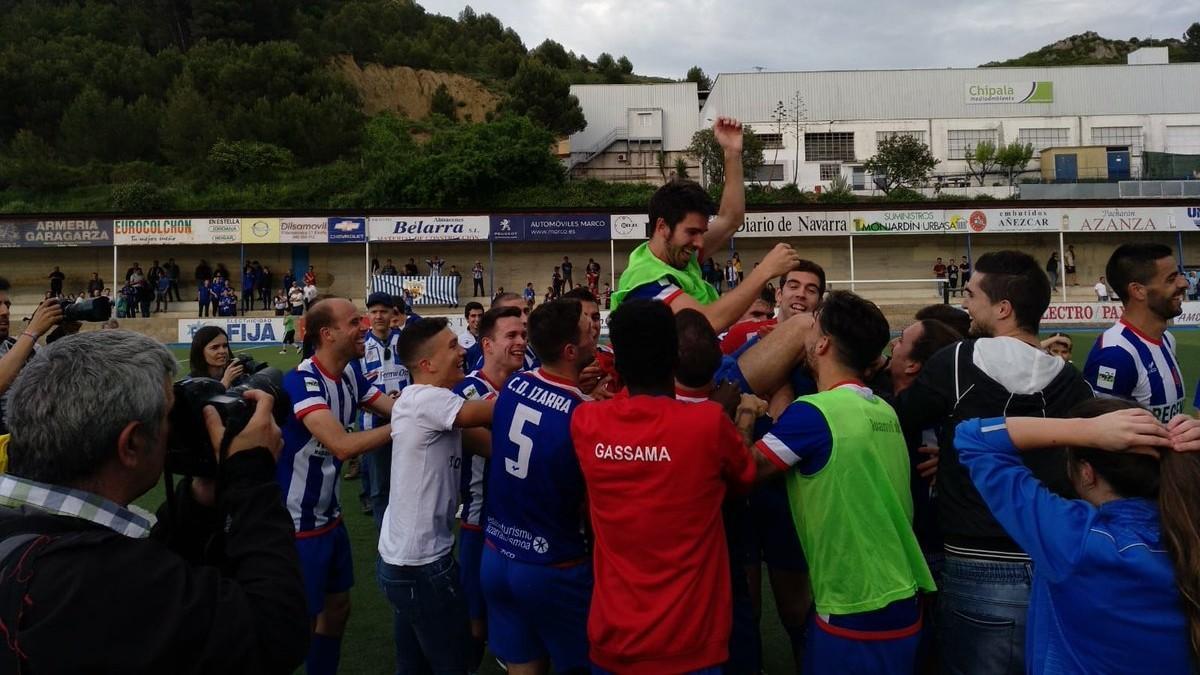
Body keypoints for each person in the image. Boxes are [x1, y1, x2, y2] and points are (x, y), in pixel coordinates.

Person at [0, 331, 309, 674]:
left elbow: (146, 572)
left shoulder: (49, 546)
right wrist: (251, 478)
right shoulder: (98, 579)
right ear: (131, 443)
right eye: (168, 415)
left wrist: (197, 499)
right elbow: (272, 633)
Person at [891, 250, 1094, 675]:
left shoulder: (958, 362)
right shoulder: (1072, 382)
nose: (966, 304)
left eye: (971, 294)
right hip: (1052, 561)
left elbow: (901, 417)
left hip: (977, 562)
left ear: (1003, 308)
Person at [570, 299, 758, 674]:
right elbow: (745, 477)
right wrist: (741, 417)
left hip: (613, 638)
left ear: (618, 363)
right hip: (690, 643)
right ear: (675, 357)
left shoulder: (586, 421)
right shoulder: (708, 423)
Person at [752, 291, 935, 673]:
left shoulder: (817, 413)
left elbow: (741, 471)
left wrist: (745, 413)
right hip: (901, 591)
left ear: (823, 343)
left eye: (813, 325)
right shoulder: (881, 407)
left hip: (858, 603)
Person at [955, 399, 1200, 674]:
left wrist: (1084, 430)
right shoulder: (1191, 531)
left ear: (1087, 473)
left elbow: (974, 438)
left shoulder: (1075, 540)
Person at [278, 297, 396, 675]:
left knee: (337, 609)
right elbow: (342, 445)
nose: (364, 325)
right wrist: (408, 425)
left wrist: (427, 403)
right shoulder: (302, 381)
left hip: (329, 516)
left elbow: (390, 406)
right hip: (297, 525)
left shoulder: (348, 373)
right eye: (353, 322)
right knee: (298, 626)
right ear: (327, 335)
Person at [482, 299, 594, 675]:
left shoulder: (515, 384)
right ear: (569, 350)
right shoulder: (584, 415)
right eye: (588, 325)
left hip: (497, 553)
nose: (595, 327)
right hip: (552, 564)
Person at [379, 318, 495, 674]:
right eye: (451, 347)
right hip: (422, 564)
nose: (463, 351)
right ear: (426, 365)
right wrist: (539, 386)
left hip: (403, 559)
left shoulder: (422, 403)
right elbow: (485, 411)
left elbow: (490, 447)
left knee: (412, 664)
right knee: (456, 663)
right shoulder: (428, 399)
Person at [452, 305, 530, 670]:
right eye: (511, 336)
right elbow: (494, 450)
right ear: (487, 344)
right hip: (479, 524)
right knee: (475, 622)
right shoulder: (466, 391)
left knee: (516, 615)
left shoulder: (527, 384)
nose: (520, 342)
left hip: (521, 523)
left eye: (524, 335)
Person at [1083, 243, 1188, 423]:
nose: (1184, 283)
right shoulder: (1115, 355)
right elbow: (1101, 439)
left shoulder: (1167, 339)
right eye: (1171, 279)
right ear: (1138, 291)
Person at [354, 293, 410, 530]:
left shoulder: (407, 342)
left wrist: (405, 397)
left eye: (384, 311)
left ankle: (406, 534)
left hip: (408, 423)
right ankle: (384, 540)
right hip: (373, 427)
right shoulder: (359, 347)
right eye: (374, 311)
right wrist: (381, 402)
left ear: (392, 314)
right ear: (368, 315)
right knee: (379, 489)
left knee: (409, 484)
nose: (378, 316)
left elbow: (421, 376)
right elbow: (353, 388)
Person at [466, 292, 538, 373]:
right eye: (514, 313)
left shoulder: (534, 349)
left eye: (526, 311)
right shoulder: (482, 366)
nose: (525, 319)